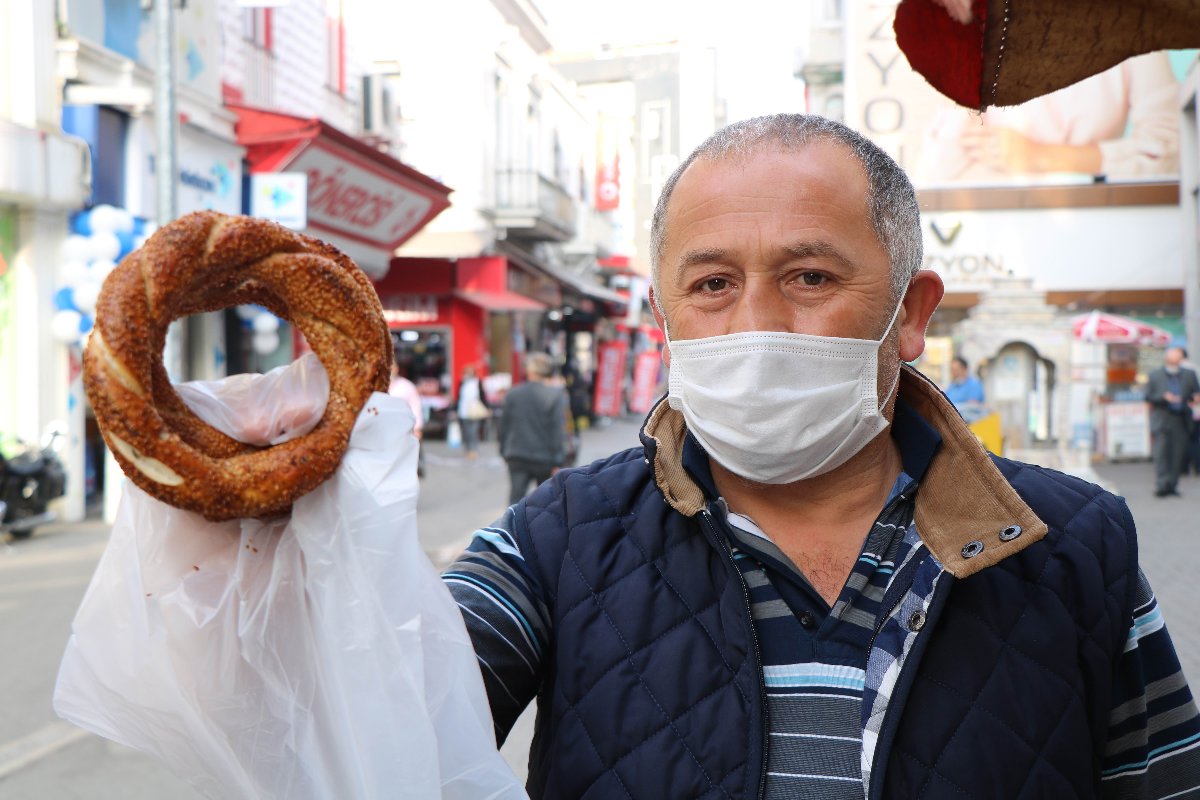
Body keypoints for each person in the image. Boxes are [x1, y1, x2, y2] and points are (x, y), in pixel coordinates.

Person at [442, 114, 1200, 798]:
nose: (759, 323)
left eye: (811, 277)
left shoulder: (1074, 547)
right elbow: (381, 700)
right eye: (712, 284)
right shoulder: (554, 540)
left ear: (910, 313)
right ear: (663, 318)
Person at [496, 353, 567, 504]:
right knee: (545, 502)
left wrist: (503, 451)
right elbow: (557, 430)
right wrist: (559, 460)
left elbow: (503, 426)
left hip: (516, 455)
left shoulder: (513, 394)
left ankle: (511, 527)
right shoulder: (554, 396)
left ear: (529, 371)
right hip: (545, 458)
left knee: (515, 499)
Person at [1145, 346, 1200, 497]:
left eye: (1177, 356)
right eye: (1172, 356)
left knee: (1177, 454)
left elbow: (1195, 392)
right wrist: (1163, 398)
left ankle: (1173, 485)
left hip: (1181, 419)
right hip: (1162, 418)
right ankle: (1162, 485)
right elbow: (1148, 396)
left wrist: (1195, 398)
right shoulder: (1155, 375)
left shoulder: (1189, 374)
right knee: (1161, 453)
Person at [388, 360, 425, 477]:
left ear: (396, 369)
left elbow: (416, 407)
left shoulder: (407, 386)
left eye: (391, 367)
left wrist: (417, 427)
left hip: (404, 430)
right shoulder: (376, 385)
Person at [456, 364, 490, 460]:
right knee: (466, 432)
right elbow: (459, 397)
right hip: (463, 411)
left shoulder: (477, 382)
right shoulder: (462, 382)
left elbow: (482, 396)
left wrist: (487, 407)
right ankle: (468, 449)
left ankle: (473, 450)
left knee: (473, 431)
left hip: (475, 411)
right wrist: (455, 409)